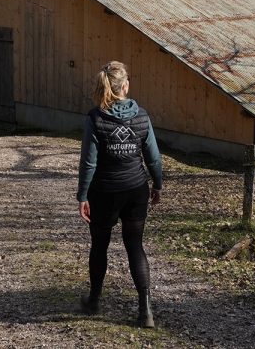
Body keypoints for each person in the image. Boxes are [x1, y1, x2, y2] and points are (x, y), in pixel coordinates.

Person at [77, 60, 163, 328]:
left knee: (99, 245)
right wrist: (157, 184)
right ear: (124, 86)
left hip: (104, 192)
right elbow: (153, 157)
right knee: (135, 246)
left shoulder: (95, 118)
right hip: (136, 190)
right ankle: (145, 311)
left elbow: (89, 162)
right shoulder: (142, 116)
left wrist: (82, 195)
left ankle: (94, 301)